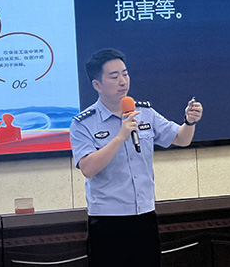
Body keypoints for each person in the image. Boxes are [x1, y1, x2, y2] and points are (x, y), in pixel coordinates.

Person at [69, 48, 203, 267]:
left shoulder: (144, 112)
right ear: (97, 85)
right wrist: (120, 136)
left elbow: (181, 139)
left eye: (125, 74)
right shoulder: (83, 123)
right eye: (114, 76)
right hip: (107, 221)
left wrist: (189, 122)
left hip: (144, 215)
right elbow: (88, 168)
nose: (123, 81)